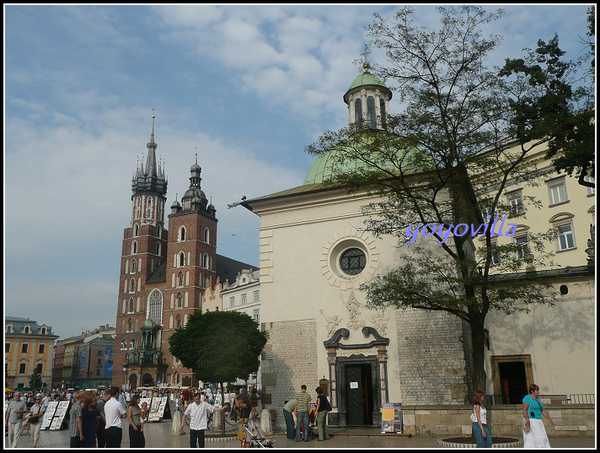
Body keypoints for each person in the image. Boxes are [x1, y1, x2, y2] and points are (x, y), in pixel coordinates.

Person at [522, 384, 554, 448]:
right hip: (532, 419)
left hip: (538, 420)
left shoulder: (538, 399)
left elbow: (542, 410)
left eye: (538, 391)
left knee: (542, 436)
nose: (538, 392)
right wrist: (527, 419)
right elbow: (524, 409)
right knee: (535, 437)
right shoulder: (528, 398)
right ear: (532, 391)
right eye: (536, 391)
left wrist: (549, 418)